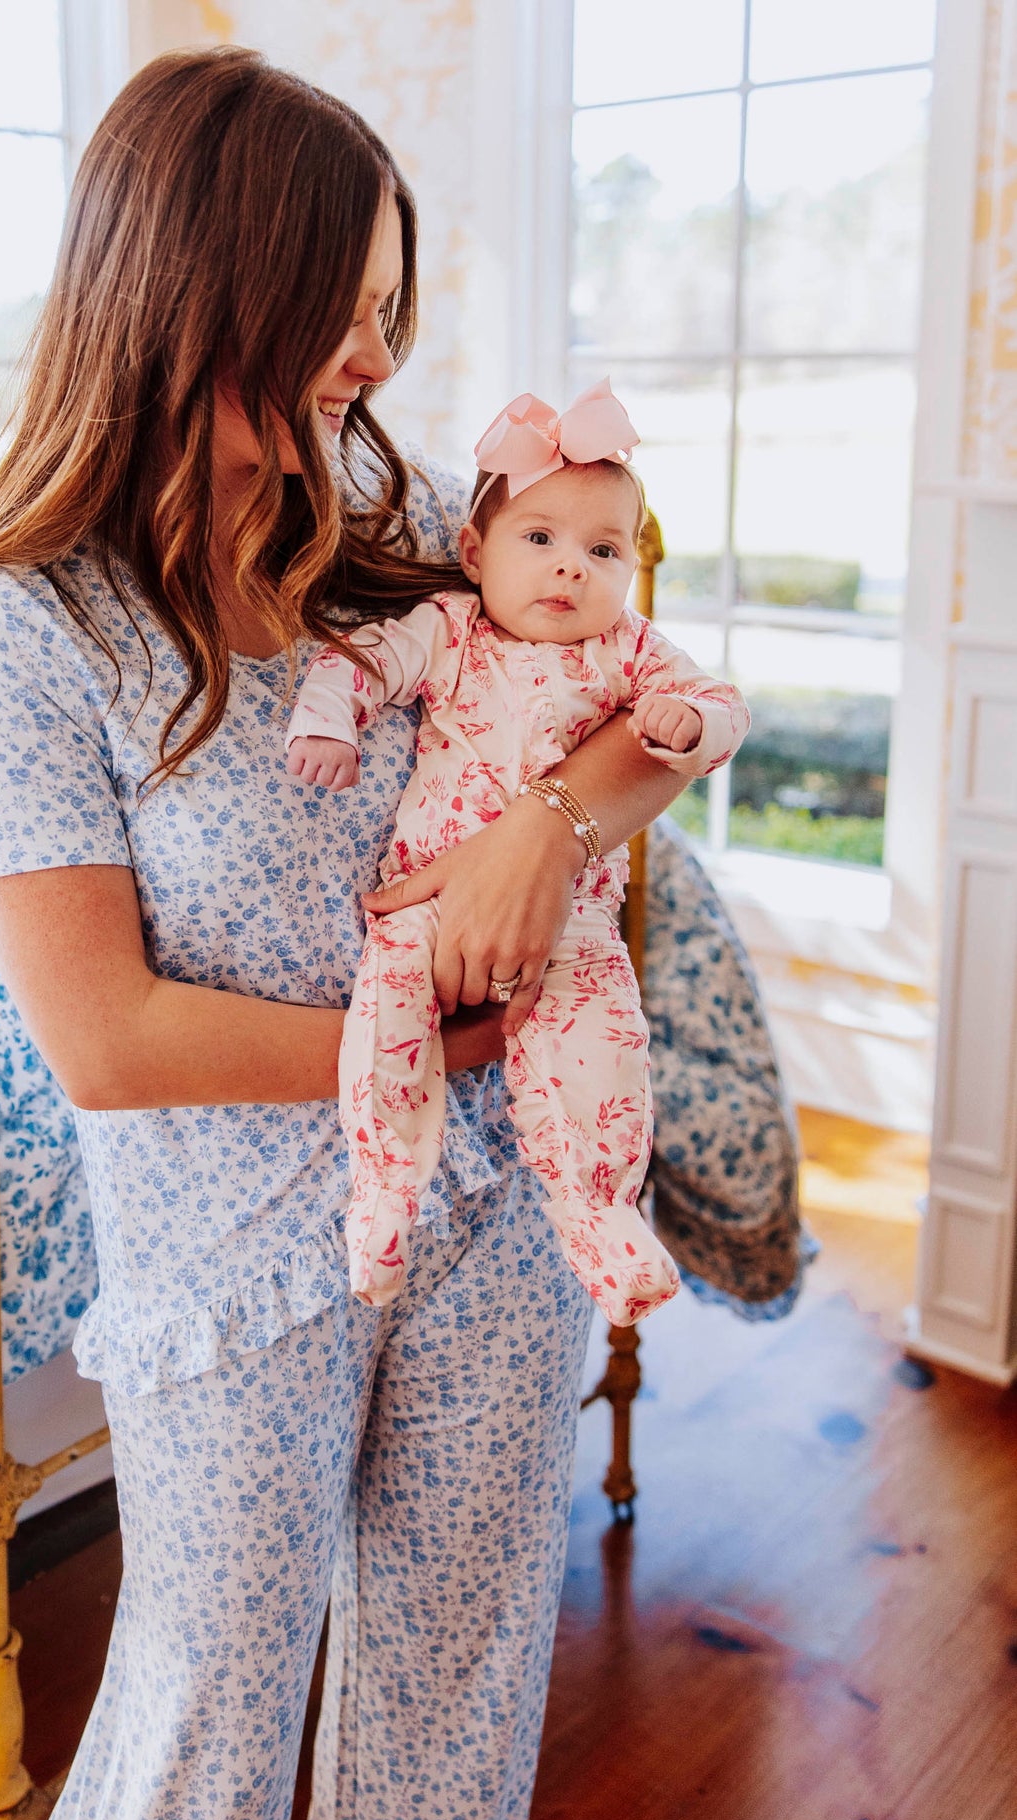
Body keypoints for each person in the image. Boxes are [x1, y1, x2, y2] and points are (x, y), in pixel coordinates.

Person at [0, 46, 693, 1820]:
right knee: (207, 1706)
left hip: (488, 1200)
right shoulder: (17, 627)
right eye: (340, 309)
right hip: (239, 1248)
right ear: (205, 288)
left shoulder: (390, 511)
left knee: (457, 1680)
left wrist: (550, 834)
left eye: (385, 309)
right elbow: (109, 1041)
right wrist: (429, 1038)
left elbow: (640, 686)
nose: (374, 353)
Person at [285, 381, 750, 1321]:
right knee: (383, 1027)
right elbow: (359, 661)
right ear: (474, 552)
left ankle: (600, 1221)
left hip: (571, 917)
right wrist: (329, 722)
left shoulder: (625, 648)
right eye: (538, 539)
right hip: (421, 907)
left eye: (602, 550)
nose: (568, 570)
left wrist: (684, 721)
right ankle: (383, 1198)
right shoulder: (451, 628)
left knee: (604, 1053)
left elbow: (725, 708)